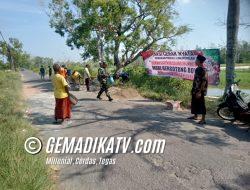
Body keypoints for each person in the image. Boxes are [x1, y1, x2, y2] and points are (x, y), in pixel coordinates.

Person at [188, 54, 208, 125]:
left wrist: (200, 91)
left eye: (196, 60)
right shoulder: (197, 69)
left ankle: (203, 119)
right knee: (194, 102)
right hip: (195, 89)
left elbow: (204, 81)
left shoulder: (203, 70)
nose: (195, 61)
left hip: (200, 90)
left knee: (201, 103)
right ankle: (195, 116)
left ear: (199, 61)